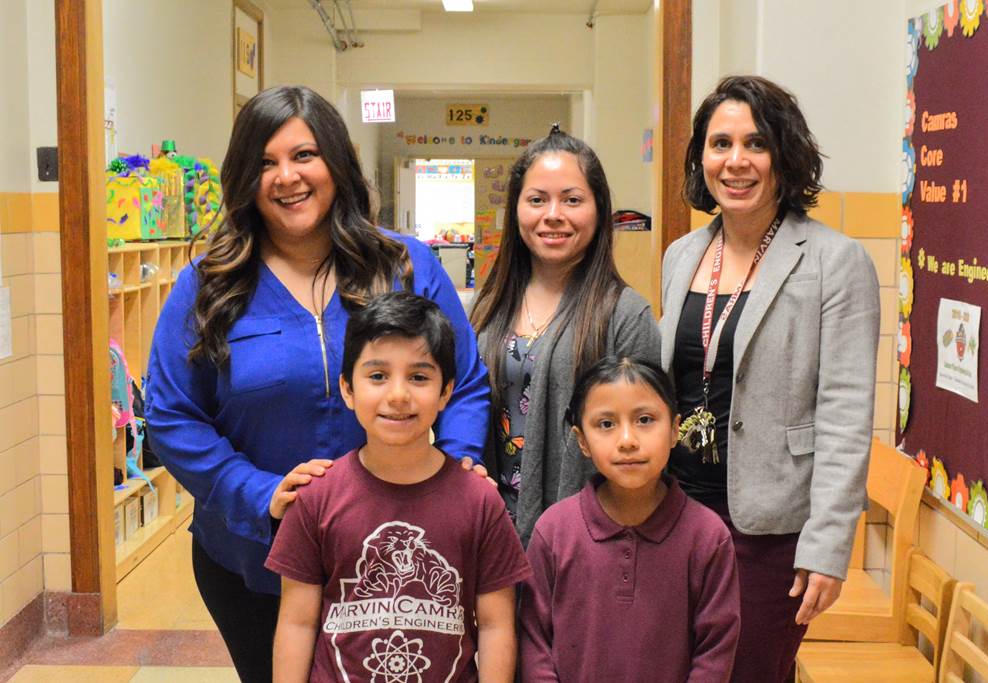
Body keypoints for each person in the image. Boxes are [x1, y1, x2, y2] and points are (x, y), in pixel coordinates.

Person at [144, 86, 491, 682]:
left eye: (304, 155)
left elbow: (468, 382)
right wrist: (257, 493)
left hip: (396, 559)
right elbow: (172, 415)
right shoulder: (209, 284)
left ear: (336, 161)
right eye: (264, 162)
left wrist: (453, 474)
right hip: (255, 561)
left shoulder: (403, 266)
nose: (286, 177)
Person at [660, 75, 880, 682]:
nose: (736, 161)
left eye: (755, 144)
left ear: (785, 154)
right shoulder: (681, 256)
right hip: (672, 514)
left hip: (768, 530)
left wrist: (828, 547)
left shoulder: (835, 262)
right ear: (700, 156)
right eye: (720, 143)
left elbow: (844, 415)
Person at [266, 292, 531, 682]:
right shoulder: (316, 498)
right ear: (347, 389)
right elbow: (297, 623)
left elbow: (495, 626)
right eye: (377, 376)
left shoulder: (479, 500)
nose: (397, 395)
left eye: (419, 377)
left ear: (445, 392)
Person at [470, 125, 660, 544]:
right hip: (491, 532)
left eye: (572, 200)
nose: (552, 214)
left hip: (590, 539)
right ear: (516, 210)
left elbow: (646, 440)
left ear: (597, 208)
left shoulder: (625, 315)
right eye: (537, 200)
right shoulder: (486, 310)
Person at [519, 356, 741, 681]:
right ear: (582, 440)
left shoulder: (708, 536)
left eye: (645, 419)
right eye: (606, 424)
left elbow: (715, 651)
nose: (627, 440)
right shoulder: (553, 531)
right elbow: (534, 640)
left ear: (675, 429)